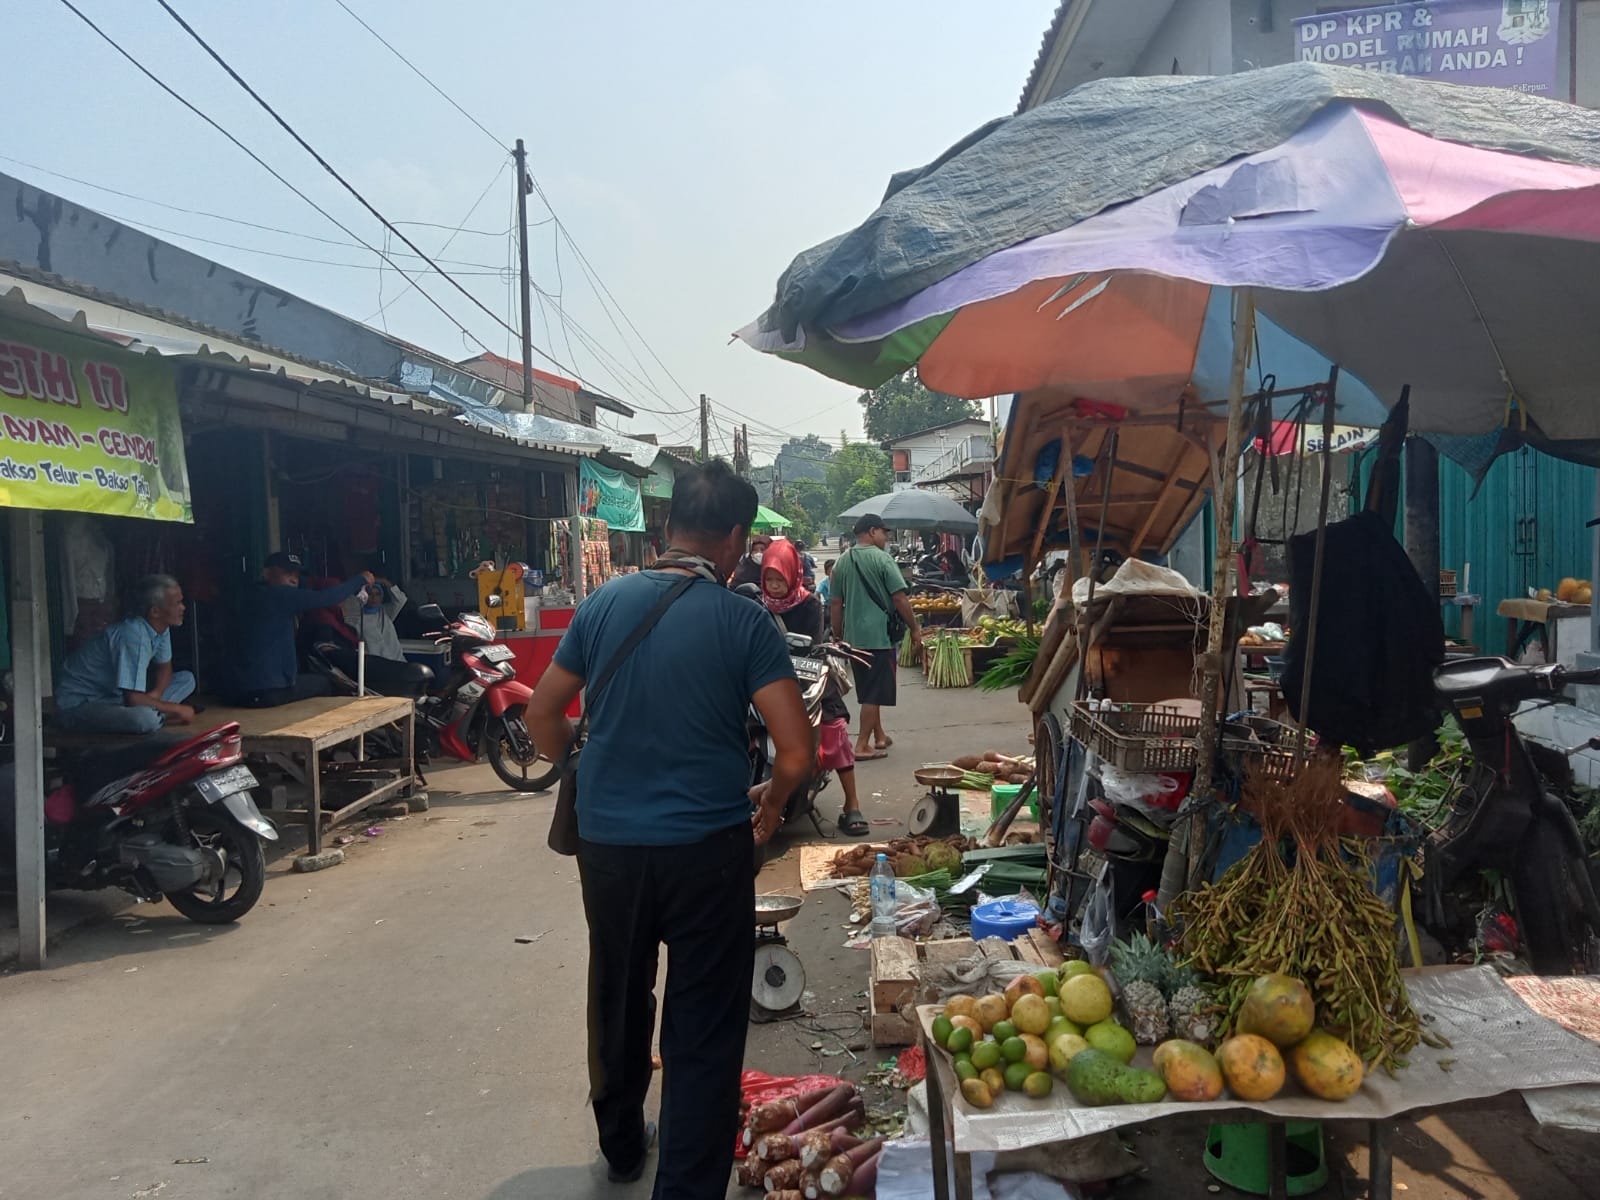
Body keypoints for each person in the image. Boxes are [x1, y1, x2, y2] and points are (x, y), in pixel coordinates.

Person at [525, 460, 812, 1198]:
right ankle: (685, 1186)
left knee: (618, 993)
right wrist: (772, 809)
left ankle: (622, 1145)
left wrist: (584, 776)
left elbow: (541, 715)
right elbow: (796, 752)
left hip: (611, 849)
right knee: (704, 1024)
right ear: (738, 539)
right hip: (709, 850)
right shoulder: (744, 620)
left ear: (665, 526)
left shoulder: (602, 606)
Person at [760, 539, 867, 836]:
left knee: (833, 732)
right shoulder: (757, 604)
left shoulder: (809, 602)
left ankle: (852, 803)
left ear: (792, 574)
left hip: (808, 676)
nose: (774, 585)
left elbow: (813, 640)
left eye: (779, 579)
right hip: (768, 680)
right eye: (769, 579)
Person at [54, 574, 197, 735]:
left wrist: (155, 696)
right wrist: (176, 709)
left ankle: (157, 712)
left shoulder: (161, 628)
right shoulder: (134, 634)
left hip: (116, 697)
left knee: (186, 679)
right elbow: (134, 699)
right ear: (155, 612)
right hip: (81, 704)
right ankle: (158, 716)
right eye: (177, 603)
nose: (183, 607)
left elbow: (165, 669)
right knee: (145, 719)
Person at [830, 514, 922, 760]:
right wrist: (914, 628)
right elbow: (899, 597)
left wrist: (838, 635)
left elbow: (836, 604)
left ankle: (879, 735)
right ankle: (861, 745)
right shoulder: (883, 560)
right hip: (878, 637)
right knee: (873, 693)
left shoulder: (841, 562)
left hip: (853, 639)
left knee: (869, 689)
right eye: (884, 533)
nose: (886, 538)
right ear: (872, 532)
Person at [227, 552, 373, 708]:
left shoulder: (254, 595)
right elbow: (326, 598)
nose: (293, 578)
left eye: (296, 574)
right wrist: (360, 580)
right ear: (267, 573)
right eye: (286, 572)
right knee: (324, 683)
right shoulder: (279, 594)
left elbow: (312, 587)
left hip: (239, 691)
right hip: (266, 692)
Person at [340, 578, 408, 662]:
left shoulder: (386, 612)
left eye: (377, 594)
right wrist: (359, 584)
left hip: (397, 661)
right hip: (376, 665)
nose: (374, 597)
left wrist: (384, 581)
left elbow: (401, 599)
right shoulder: (356, 617)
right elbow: (344, 602)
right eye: (370, 594)